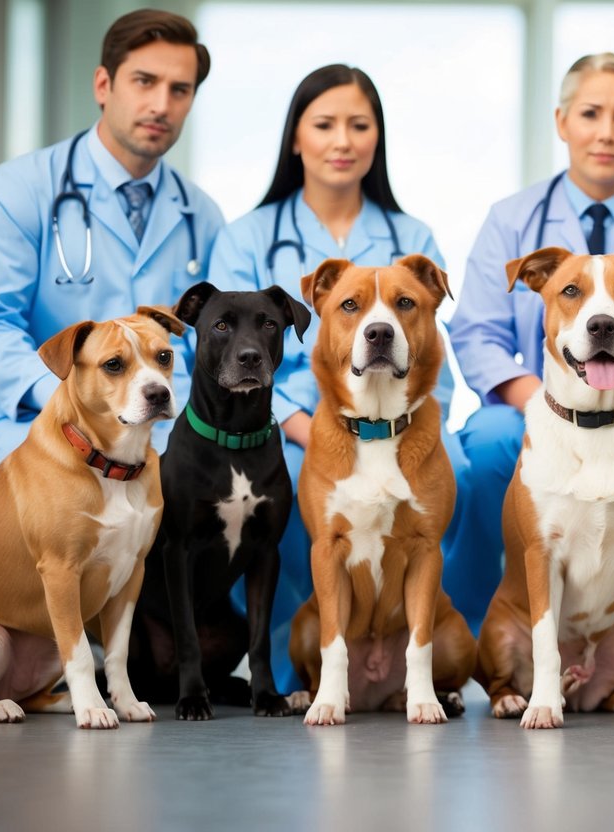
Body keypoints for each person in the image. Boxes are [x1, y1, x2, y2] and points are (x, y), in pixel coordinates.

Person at [446, 52, 614, 670]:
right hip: (542, 402)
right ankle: (471, 632)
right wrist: (533, 400)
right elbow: (477, 331)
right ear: (562, 120)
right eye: (590, 113)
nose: (606, 131)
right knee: (490, 441)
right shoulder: (512, 220)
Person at [208, 64, 459, 693]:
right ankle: (302, 664)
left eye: (359, 124)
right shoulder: (246, 237)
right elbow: (220, 355)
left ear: (378, 138)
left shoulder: (413, 237)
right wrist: (301, 424)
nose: (342, 140)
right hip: (284, 425)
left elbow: (434, 362)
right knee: (285, 490)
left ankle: (435, 648)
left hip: (400, 427)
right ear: (296, 138)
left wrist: (407, 429)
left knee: (471, 472)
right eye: (324, 124)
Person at [0, 8, 224, 491]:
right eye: (144, 82)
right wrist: (77, 402)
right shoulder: (20, 189)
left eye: (180, 90)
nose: (161, 105)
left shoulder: (202, 216)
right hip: (32, 417)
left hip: (163, 425)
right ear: (103, 85)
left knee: (210, 513)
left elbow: (203, 344)